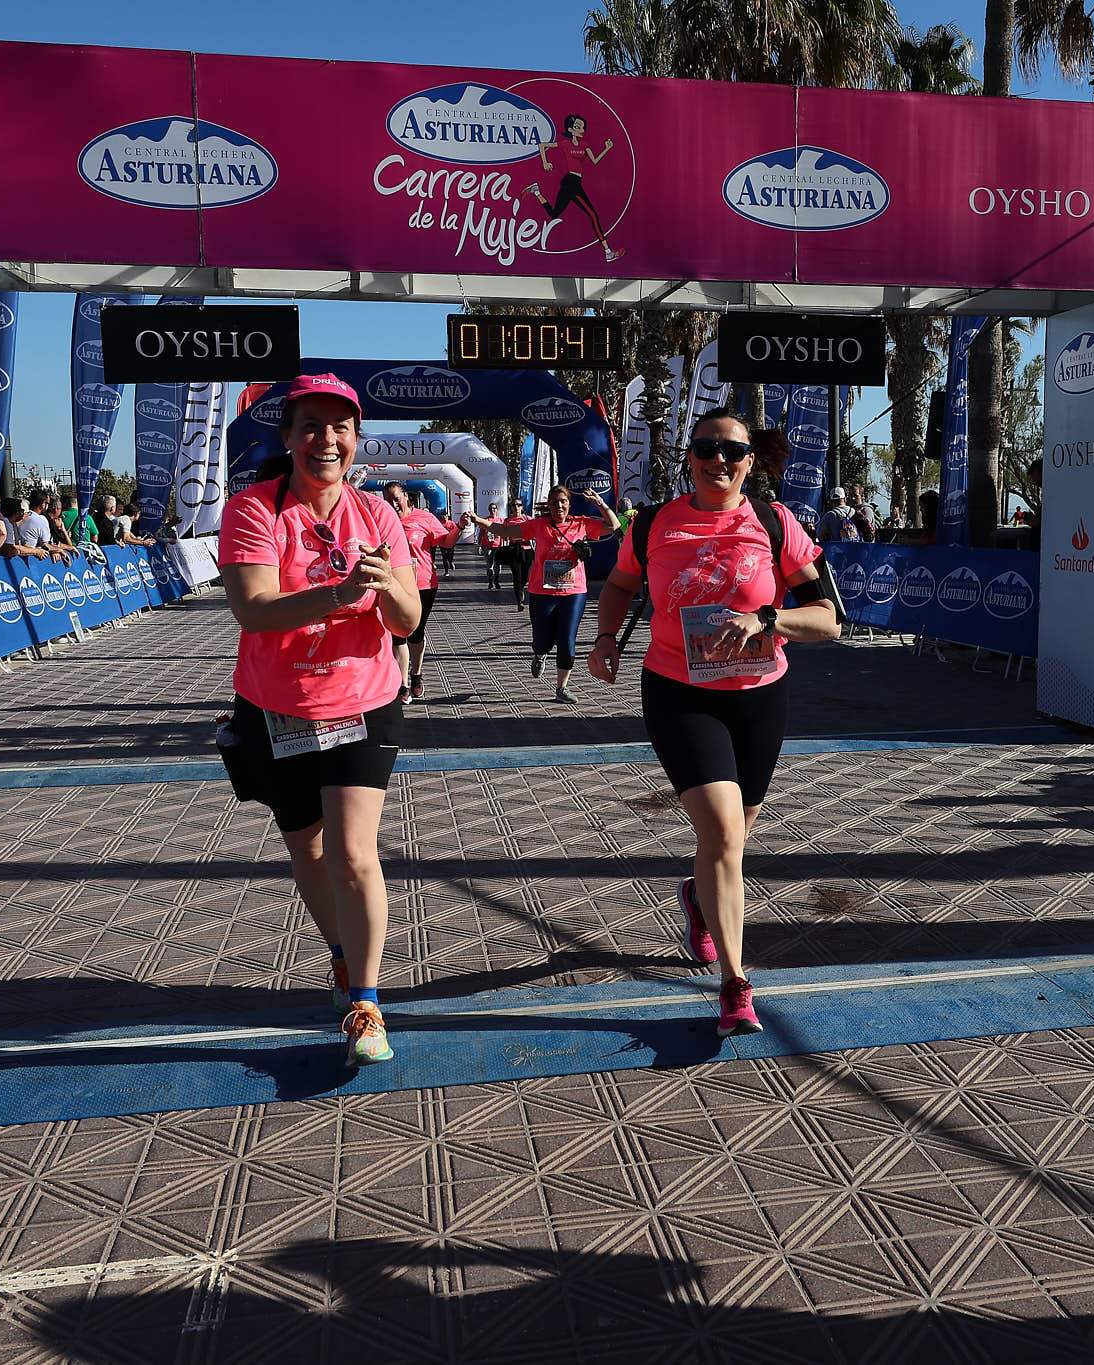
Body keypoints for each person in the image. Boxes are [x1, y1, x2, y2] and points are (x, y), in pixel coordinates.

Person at [586, 413, 840, 1036]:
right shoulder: (655, 523)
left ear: (751, 461)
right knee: (724, 834)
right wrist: (606, 636)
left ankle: (698, 899)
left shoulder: (777, 524)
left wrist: (769, 620)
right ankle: (735, 985)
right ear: (690, 457)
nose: (717, 460)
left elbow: (829, 619)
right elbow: (620, 583)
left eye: (732, 451)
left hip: (759, 695)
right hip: (678, 690)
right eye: (706, 448)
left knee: (730, 839)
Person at [217, 374, 420, 1068]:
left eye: (339, 428)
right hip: (279, 709)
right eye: (310, 426)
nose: (324, 440)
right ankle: (340, 957)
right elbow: (254, 608)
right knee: (307, 849)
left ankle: (365, 1002)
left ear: (355, 440)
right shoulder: (254, 510)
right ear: (287, 436)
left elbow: (408, 619)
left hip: (364, 700)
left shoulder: (378, 515)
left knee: (354, 854)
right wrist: (336, 594)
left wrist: (390, 587)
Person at [469, 486, 622, 703]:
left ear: (569, 503)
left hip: (574, 592)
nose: (559, 506)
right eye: (554, 502)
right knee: (542, 640)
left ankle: (562, 687)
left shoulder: (581, 523)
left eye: (563, 501)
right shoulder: (538, 525)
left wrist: (599, 503)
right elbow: (505, 532)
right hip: (542, 592)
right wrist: (478, 520)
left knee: (567, 639)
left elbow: (615, 526)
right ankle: (540, 655)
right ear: (548, 505)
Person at [383, 483, 461, 704]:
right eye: (388, 500)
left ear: (406, 497)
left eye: (396, 498)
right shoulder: (383, 520)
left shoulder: (424, 518)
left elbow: (446, 541)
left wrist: (460, 528)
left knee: (415, 634)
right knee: (397, 634)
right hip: (394, 585)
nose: (393, 504)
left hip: (423, 584)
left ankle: (416, 675)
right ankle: (402, 685)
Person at [525, 114, 623, 263]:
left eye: (583, 127)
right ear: (570, 129)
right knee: (593, 215)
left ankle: (536, 191)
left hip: (575, 182)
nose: (581, 129)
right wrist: (545, 162)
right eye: (578, 127)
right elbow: (542, 145)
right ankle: (608, 252)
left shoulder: (585, 145)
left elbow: (595, 161)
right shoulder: (565, 143)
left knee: (554, 214)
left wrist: (607, 148)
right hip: (571, 182)